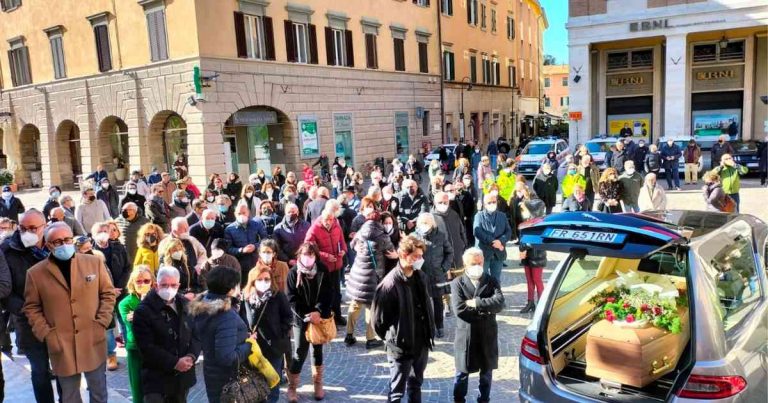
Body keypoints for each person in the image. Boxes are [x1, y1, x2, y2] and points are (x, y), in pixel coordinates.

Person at [23, 222, 116, 403]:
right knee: (69, 396)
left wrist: (102, 321)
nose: (64, 244)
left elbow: (107, 293)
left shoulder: (93, 262)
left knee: (99, 392)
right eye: (58, 241)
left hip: (92, 337)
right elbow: (31, 307)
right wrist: (46, 333)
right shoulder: (35, 273)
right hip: (61, 343)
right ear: (48, 245)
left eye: (67, 239)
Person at [3, 210, 61, 402]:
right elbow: (5, 292)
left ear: (44, 226)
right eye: (22, 228)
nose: (27, 232)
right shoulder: (7, 250)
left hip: (58, 319)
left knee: (63, 367)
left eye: (33, 228)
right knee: (39, 370)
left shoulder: (57, 243)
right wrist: (28, 310)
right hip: (28, 322)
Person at [372, 235, 435, 403]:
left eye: (421, 256)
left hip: (421, 343)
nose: (419, 260)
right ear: (403, 255)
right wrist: (395, 338)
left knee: (416, 384)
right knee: (397, 391)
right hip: (401, 346)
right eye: (416, 256)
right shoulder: (389, 285)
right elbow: (378, 322)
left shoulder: (421, 277)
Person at [133, 264, 200, 403]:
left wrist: (191, 356)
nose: (169, 289)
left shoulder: (186, 304)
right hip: (156, 378)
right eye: (164, 285)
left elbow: (196, 334)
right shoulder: (143, 310)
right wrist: (174, 363)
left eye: (173, 285)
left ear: (178, 285)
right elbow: (146, 347)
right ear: (156, 285)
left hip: (182, 377)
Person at [451, 248, 505, 403]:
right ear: (465, 264)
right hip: (466, 335)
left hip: (487, 334)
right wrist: (486, 311)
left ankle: (484, 399)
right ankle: (459, 399)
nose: (477, 266)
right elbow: (459, 310)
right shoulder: (457, 283)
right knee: (462, 373)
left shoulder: (491, 281)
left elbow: (499, 303)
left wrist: (476, 303)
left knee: (486, 373)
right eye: (473, 263)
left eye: (480, 263)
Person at [189, 266, 251, 403]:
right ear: (230, 289)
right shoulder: (224, 314)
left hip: (211, 372)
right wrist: (249, 345)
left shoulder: (204, 304)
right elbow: (227, 357)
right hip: (228, 379)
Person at [285, 242, 333, 402]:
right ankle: (292, 387)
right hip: (301, 318)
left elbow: (328, 293)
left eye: (311, 254)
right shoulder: (293, 273)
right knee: (300, 351)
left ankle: (318, 383)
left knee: (317, 349)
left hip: (318, 317)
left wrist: (318, 311)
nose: (308, 257)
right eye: (305, 254)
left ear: (315, 256)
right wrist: (307, 315)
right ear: (299, 255)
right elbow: (291, 298)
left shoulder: (322, 270)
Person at [345, 206, 396, 349]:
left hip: (358, 274)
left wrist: (357, 248)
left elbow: (352, 244)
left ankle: (349, 335)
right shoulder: (382, 236)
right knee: (371, 306)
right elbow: (391, 251)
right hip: (373, 276)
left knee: (355, 304)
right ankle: (370, 338)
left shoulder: (361, 231)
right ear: (379, 221)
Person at [242, 266, 292, 403]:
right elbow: (241, 319)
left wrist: (280, 333)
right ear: (253, 281)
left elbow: (288, 317)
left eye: (267, 279)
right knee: (255, 381)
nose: (263, 282)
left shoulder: (278, 296)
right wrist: (246, 334)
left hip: (274, 347)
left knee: (273, 381)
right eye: (260, 279)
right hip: (253, 348)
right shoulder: (245, 298)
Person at [92, 222, 131, 370]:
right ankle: (111, 355)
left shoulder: (119, 247)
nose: (103, 233)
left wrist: (119, 286)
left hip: (121, 291)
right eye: (99, 231)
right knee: (108, 326)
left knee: (125, 320)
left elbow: (128, 267)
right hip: (102, 295)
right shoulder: (90, 253)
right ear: (93, 235)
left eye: (105, 230)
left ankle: (130, 348)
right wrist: (109, 290)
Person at [305, 206, 347, 325]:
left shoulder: (336, 225)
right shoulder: (314, 229)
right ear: (321, 218)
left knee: (337, 293)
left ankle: (338, 315)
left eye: (331, 219)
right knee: (325, 294)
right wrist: (325, 256)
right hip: (323, 267)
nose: (328, 222)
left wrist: (343, 250)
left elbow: (342, 240)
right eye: (326, 220)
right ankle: (327, 318)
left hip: (336, 264)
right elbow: (309, 247)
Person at [118, 265, 154, 403]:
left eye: (146, 281)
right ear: (132, 283)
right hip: (136, 349)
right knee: (138, 386)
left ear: (152, 282)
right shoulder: (125, 303)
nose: (142, 284)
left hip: (157, 348)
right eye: (138, 281)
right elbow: (132, 327)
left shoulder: (158, 299)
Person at [414, 213, 453, 339]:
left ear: (432, 224)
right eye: (422, 223)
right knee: (422, 302)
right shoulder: (414, 237)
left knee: (438, 302)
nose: (424, 225)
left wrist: (444, 268)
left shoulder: (440, 236)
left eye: (427, 222)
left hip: (437, 274)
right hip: (421, 275)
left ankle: (439, 326)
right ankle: (425, 326)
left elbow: (449, 252)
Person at [473, 193, 512, 282]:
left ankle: (496, 291)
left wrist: (501, 241)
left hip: (498, 253)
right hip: (484, 253)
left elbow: (508, 232)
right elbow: (477, 232)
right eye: (489, 202)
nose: (492, 204)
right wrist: (493, 242)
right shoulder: (479, 216)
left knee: (496, 279)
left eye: (494, 202)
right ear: (484, 204)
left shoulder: (502, 215)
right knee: (483, 279)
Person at [224, 202, 267, 282]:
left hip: (257, 262)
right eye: (239, 213)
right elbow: (228, 248)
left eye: (244, 213)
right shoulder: (229, 229)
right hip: (240, 265)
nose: (242, 215)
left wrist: (255, 246)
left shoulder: (256, 224)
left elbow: (265, 240)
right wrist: (242, 250)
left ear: (248, 212)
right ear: (235, 214)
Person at [518, 200, 548, 313]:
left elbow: (536, 241)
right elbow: (522, 238)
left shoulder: (541, 224)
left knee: (537, 280)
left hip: (537, 256)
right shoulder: (527, 222)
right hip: (527, 256)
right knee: (529, 280)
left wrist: (523, 247)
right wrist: (521, 248)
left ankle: (541, 303)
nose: (523, 212)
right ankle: (530, 303)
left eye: (526, 210)